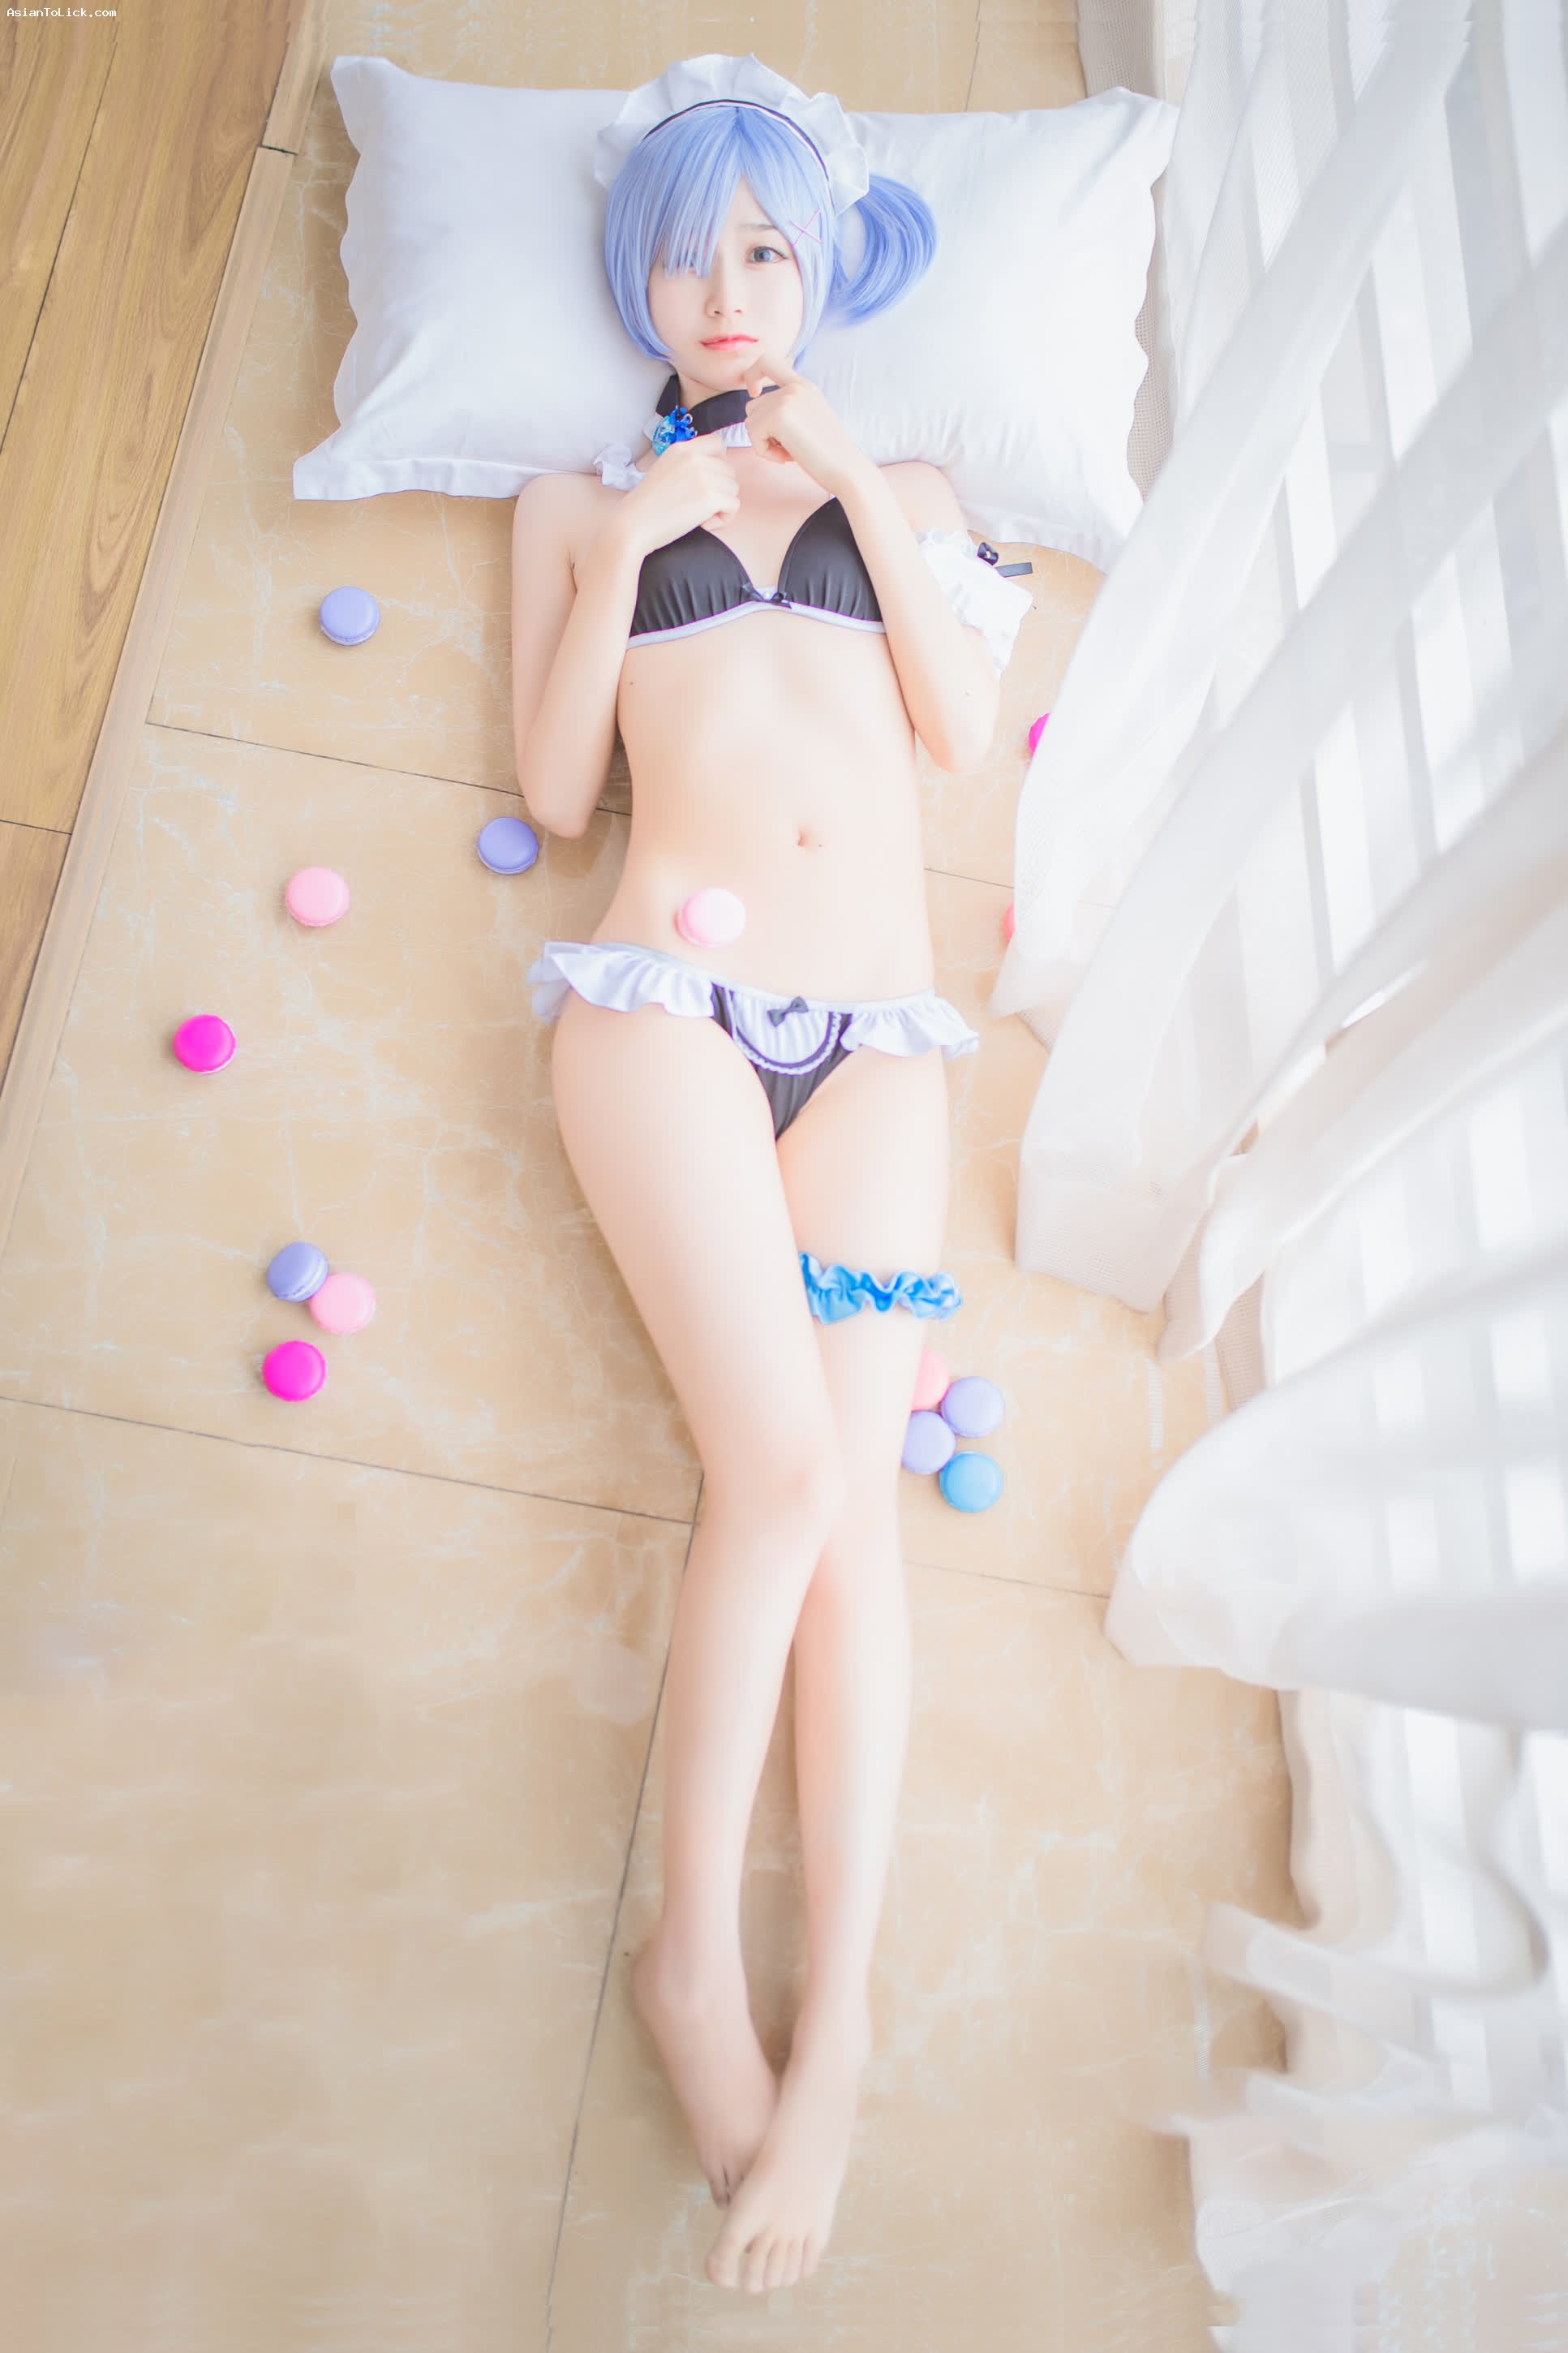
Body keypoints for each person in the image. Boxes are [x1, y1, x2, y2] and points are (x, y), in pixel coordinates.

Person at [512, 55, 1031, 2299]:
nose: (722, 290)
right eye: (683, 254)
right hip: (664, 1009)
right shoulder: (570, 509)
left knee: (857, 1532)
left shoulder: (903, 485)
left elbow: (957, 732)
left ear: (822, 273)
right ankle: (692, 1965)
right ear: (633, 280)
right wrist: (634, 537)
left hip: (880, 1039)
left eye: (763, 249)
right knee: (785, 1474)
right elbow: (552, 792)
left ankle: (841, 2033)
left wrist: (858, 497)